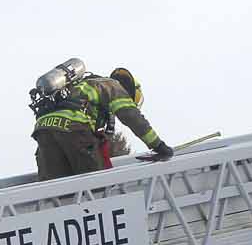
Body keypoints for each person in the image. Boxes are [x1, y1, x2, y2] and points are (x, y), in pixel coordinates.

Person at [32, 63, 172, 179]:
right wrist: (158, 146)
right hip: (74, 129)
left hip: (43, 131)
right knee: (97, 187)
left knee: (57, 192)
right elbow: (131, 116)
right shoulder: (112, 86)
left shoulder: (79, 86)